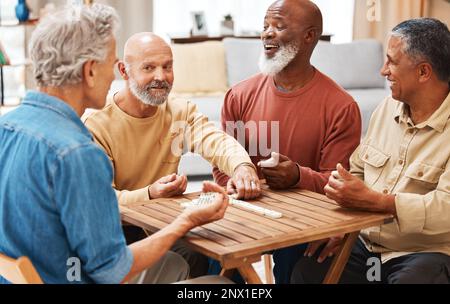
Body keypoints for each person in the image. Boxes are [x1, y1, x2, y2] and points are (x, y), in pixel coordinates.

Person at [0, 4, 231, 284]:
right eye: (111, 63)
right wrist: (188, 220)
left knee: (177, 263)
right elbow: (113, 270)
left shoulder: (7, 126)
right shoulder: (78, 153)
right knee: (221, 285)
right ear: (90, 71)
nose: (114, 76)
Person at [82, 32, 261, 277]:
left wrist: (242, 166)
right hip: (117, 238)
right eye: (149, 67)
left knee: (226, 249)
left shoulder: (179, 110)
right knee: (192, 257)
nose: (161, 77)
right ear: (124, 71)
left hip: (162, 225)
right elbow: (103, 202)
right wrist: (149, 194)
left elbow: (214, 140)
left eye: (167, 67)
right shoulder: (96, 124)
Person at [212, 0, 362, 283]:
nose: (267, 33)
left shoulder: (341, 107)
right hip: (247, 212)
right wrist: (232, 181)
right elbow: (222, 164)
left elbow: (336, 183)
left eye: (278, 26)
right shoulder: (238, 95)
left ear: (310, 35)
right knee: (211, 245)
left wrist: (297, 176)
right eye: (265, 26)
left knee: (303, 256)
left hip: (303, 223)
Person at [292, 18, 450, 284]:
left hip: (424, 252)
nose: (383, 71)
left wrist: (379, 203)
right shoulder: (387, 108)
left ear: (423, 72)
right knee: (307, 272)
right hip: (365, 243)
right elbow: (357, 172)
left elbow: (446, 209)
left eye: (391, 62)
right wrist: (341, 227)